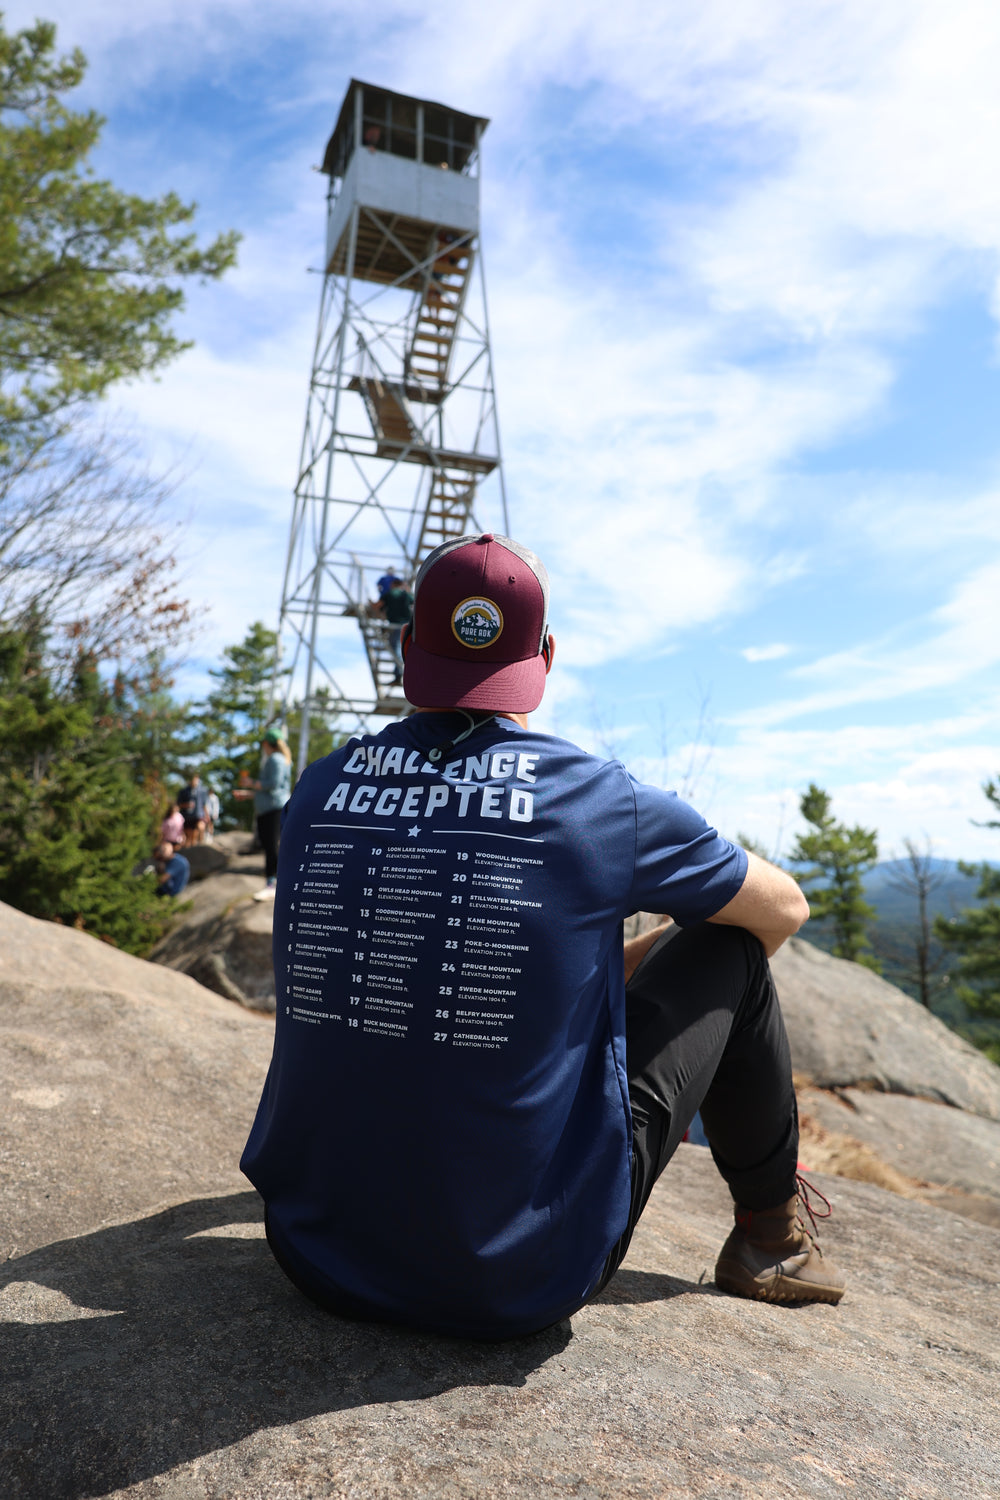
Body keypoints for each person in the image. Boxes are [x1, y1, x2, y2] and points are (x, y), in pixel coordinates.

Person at [242, 532, 844, 1341]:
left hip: (312, 1253)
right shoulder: (596, 800)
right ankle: (771, 1241)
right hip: (517, 1276)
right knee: (730, 945)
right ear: (547, 655)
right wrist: (663, 954)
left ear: (407, 644)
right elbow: (785, 909)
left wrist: (595, 969)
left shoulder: (319, 787)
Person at [234, 731, 293, 901]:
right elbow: (273, 789)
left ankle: (272, 884)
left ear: (267, 743)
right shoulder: (280, 759)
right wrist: (247, 794)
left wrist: (250, 782)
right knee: (270, 846)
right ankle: (272, 882)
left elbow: (273, 784)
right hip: (271, 807)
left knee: (271, 847)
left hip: (273, 809)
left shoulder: (275, 759)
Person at [382, 576, 413, 685]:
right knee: (399, 648)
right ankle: (398, 672)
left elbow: (378, 605)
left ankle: (399, 673)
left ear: (393, 585)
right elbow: (414, 602)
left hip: (395, 625)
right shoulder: (406, 595)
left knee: (395, 649)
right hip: (406, 626)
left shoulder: (390, 594)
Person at [177, 773, 208, 846]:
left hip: (198, 815)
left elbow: (204, 804)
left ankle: (200, 843)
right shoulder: (184, 791)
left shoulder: (202, 791)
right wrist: (186, 805)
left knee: (199, 828)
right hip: (187, 816)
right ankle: (190, 847)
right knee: (188, 837)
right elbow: (178, 804)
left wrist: (207, 815)